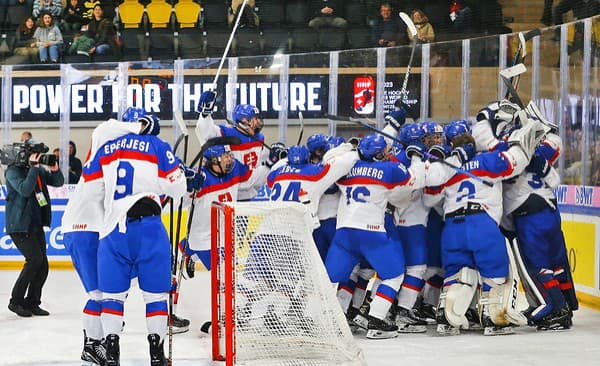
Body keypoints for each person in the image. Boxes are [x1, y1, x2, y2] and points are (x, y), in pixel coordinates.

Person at [429, 116, 549, 336]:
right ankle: (494, 319)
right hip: (481, 223)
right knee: (495, 273)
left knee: (456, 275)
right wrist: (523, 139)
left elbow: (429, 199)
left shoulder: (446, 167)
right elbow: (517, 161)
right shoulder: (486, 160)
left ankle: (447, 319)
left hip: (452, 228)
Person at [86, 114, 187, 365]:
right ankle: (156, 352)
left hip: (112, 231)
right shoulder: (157, 145)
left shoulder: (105, 148)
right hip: (149, 230)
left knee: (112, 297)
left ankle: (111, 350)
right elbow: (178, 189)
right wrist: (182, 175)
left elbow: (90, 187)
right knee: (155, 297)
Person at [62, 115, 155, 365]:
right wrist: (142, 125)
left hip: (97, 228)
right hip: (84, 227)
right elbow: (107, 126)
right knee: (100, 294)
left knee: (114, 286)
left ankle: (99, 335)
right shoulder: (105, 140)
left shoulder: (122, 162)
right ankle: (93, 345)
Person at [325, 134, 428, 339]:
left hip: (344, 233)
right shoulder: (389, 169)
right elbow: (415, 179)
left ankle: (321, 322)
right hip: (371, 233)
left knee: (328, 281)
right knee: (394, 275)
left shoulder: (346, 166)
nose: (389, 154)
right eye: (386, 152)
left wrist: (349, 146)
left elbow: (328, 159)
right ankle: (377, 319)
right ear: (379, 154)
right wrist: (416, 157)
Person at [5, 139, 64, 317]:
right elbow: (25, 189)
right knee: (35, 260)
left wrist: (54, 169)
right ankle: (15, 301)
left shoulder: (35, 170)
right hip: (20, 226)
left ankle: (32, 302)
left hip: (36, 224)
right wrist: (34, 168)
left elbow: (58, 181)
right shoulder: (12, 172)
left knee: (43, 265)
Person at [195, 90, 269, 201]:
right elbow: (206, 133)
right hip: (232, 192)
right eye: (254, 119)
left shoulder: (260, 139)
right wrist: (205, 114)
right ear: (243, 121)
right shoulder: (227, 133)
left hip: (252, 194)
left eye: (258, 119)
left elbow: (263, 163)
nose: (257, 123)